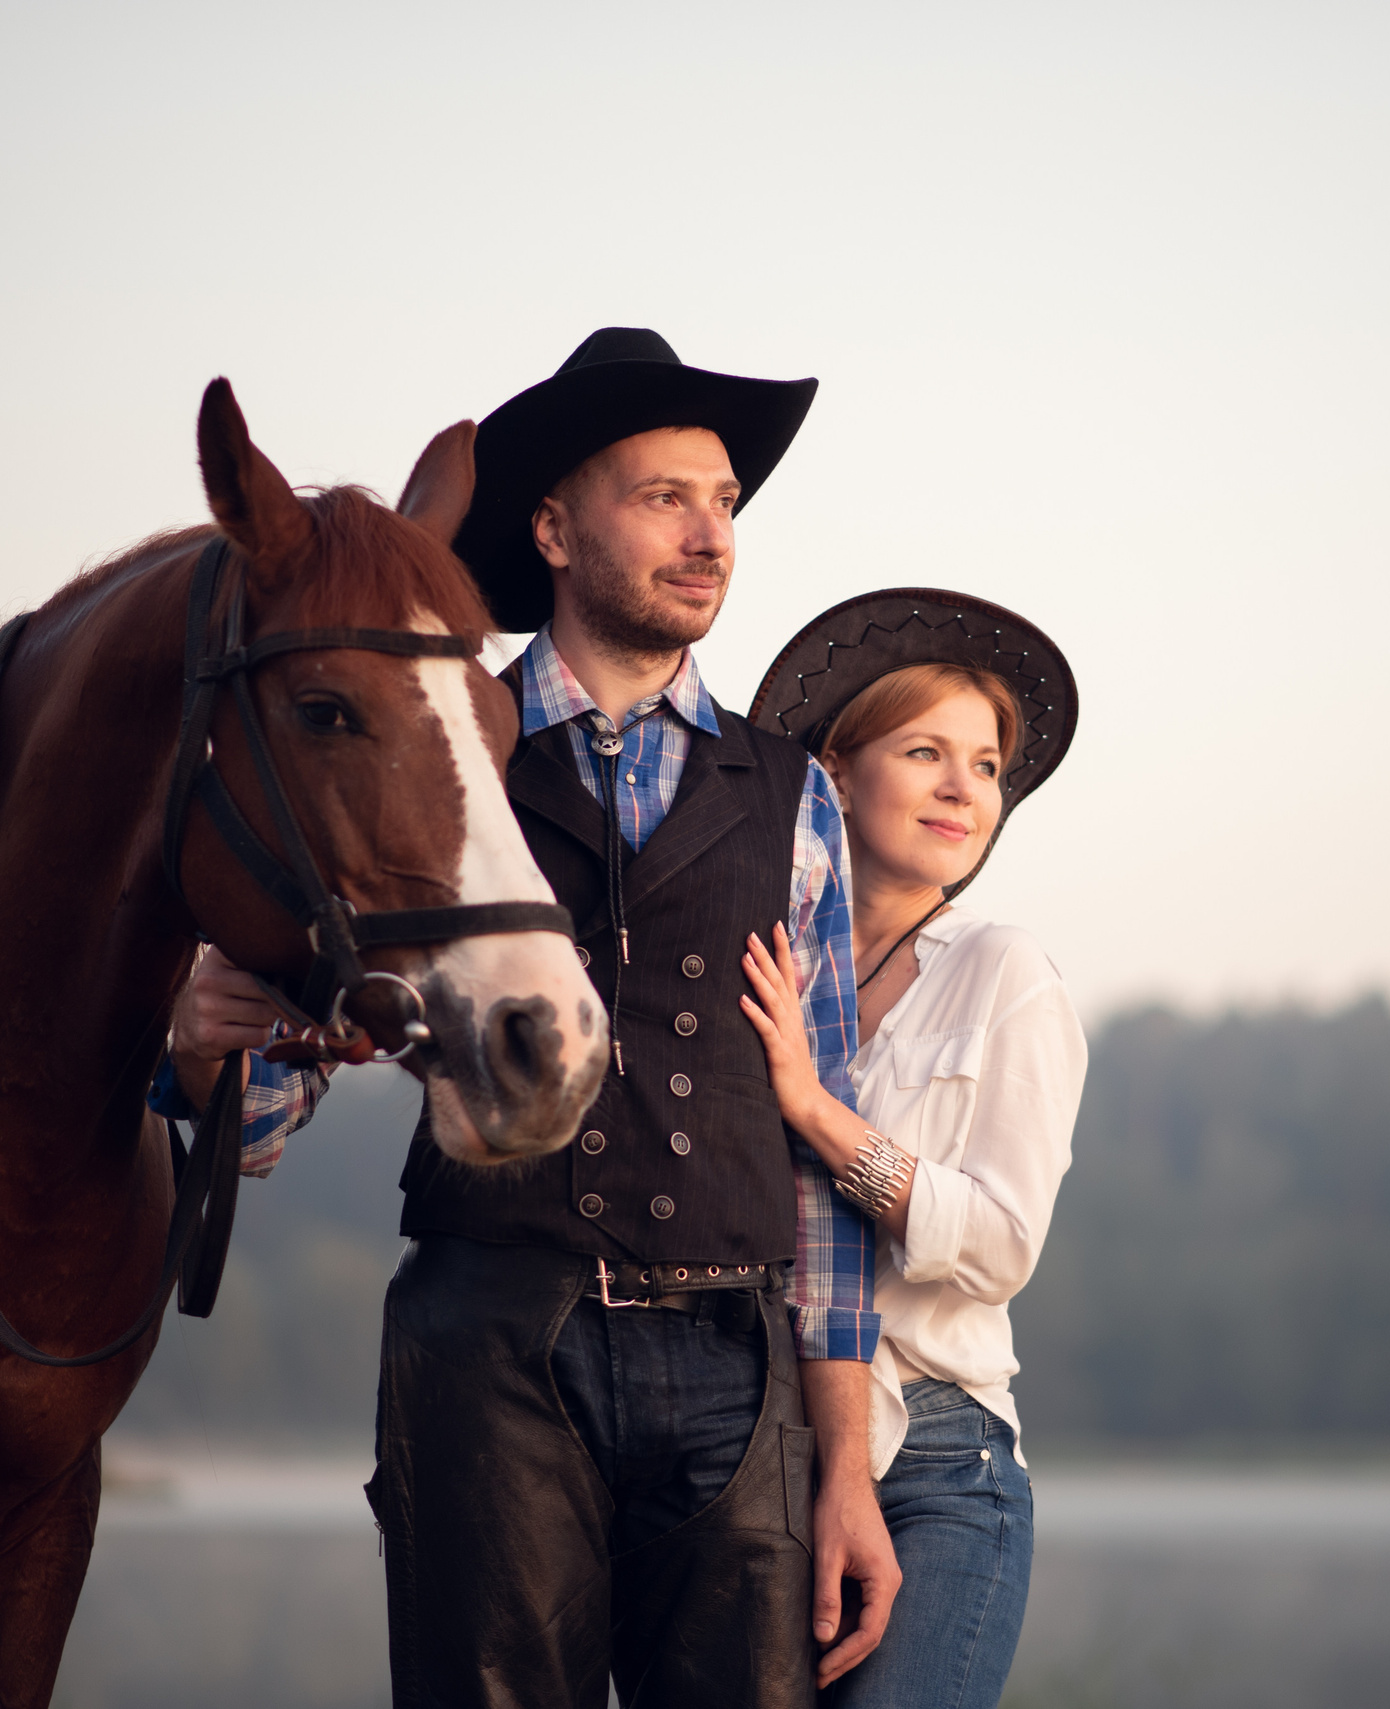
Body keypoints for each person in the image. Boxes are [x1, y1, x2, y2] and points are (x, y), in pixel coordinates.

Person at [158, 329, 901, 1709]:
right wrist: (208, 1042)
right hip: (493, 1349)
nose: (709, 536)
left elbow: (826, 1148)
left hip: (737, 1369)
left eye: (724, 502)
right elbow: (262, 1117)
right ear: (554, 529)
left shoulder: (791, 790)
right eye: (665, 497)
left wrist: (847, 1468)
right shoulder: (433, 736)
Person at [734, 590, 1088, 1709]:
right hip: (751, 1450)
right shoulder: (763, 958)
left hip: (940, 1463)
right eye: (925, 750)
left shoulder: (1002, 971)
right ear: (834, 773)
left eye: (984, 766)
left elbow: (997, 1248)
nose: (961, 788)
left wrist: (817, 1111)